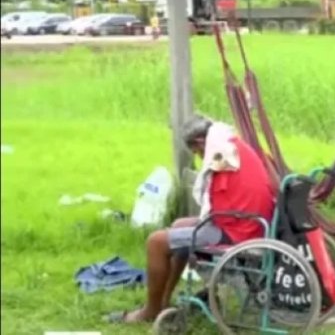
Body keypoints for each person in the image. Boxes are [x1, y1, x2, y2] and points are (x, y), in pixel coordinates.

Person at [106, 114, 276, 324]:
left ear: (200, 142)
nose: (199, 157)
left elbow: (209, 197)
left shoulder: (221, 152)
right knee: (179, 226)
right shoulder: (232, 143)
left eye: (197, 152)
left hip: (238, 230)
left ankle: (149, 311)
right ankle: (163, 301)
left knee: (156, 242)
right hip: (247, 221)